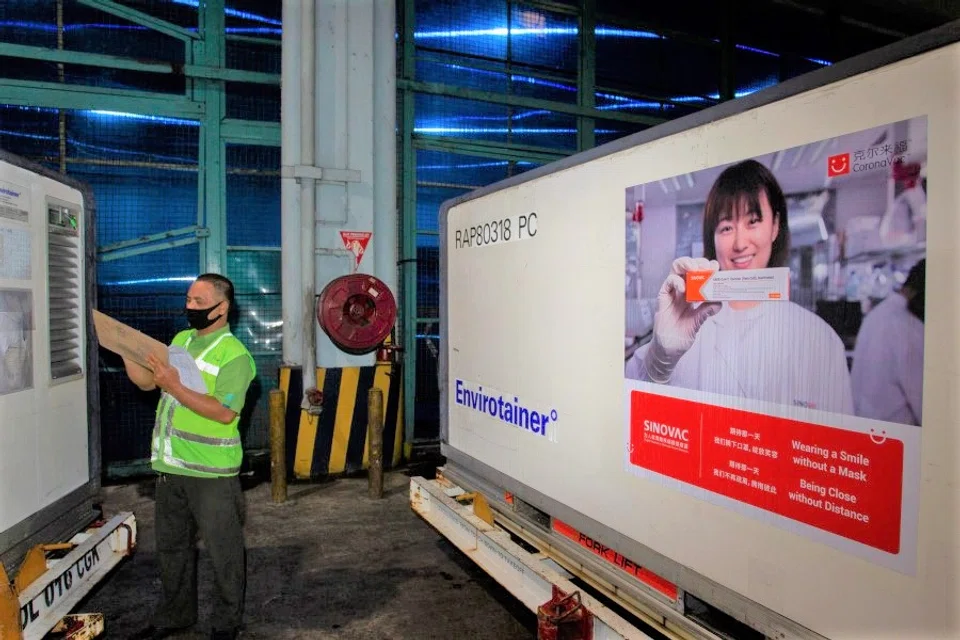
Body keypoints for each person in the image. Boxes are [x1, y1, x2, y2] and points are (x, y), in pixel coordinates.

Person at [626, 159, 854, 415]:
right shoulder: (686, 325)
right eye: (726, 227)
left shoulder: (820, 341)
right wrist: (659, 360)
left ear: (775, 226)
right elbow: (633, 414)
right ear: (712, 236)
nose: (739, 242)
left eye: (753, 221)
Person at [125, 274, 256, 640]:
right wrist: (128, 352)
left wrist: (175, 386)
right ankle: (175, 615)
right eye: (189, 299)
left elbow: (224, 413)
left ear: (222, 307)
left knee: (224, 553)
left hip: (211, 474)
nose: (190, 307)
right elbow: (150, 382)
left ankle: (227, 623)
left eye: (199, 302)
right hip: (172, 468)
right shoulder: (181, 341)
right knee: (172, 549)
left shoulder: (236, 357)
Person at [850, 259, 925, 426]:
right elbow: (927, 406)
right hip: (896, 439)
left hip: (864, 430)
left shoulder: (878, 314)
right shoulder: (910, 327)